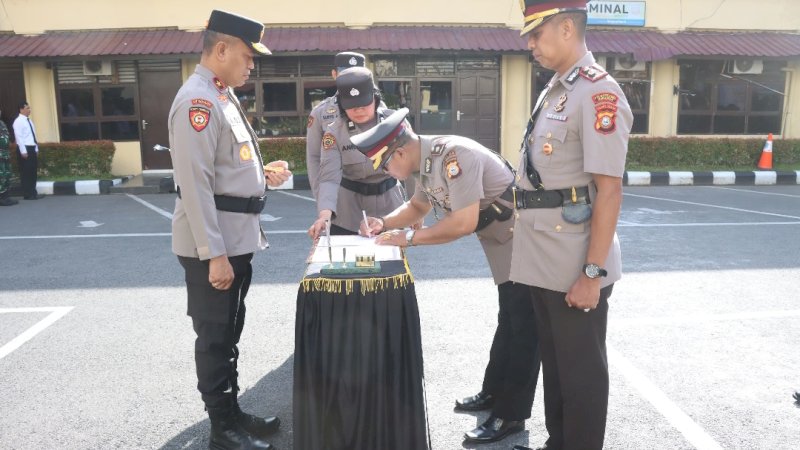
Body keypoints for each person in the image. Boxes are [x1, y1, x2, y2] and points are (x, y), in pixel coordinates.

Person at [353, 108, 541, 445]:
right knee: (510, 319)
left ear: (399, 152)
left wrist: (408, 239)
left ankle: (511, 415)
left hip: (524, 238)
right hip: (501, 239)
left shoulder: (454, 156)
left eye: (384, 165)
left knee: (524, 327)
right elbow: (417, 207)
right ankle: (493, 392)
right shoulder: (426, 163)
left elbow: (462, 224)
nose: (384, 172)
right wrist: (385, 223)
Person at [510, 1, 632, 449]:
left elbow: (610, 191)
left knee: (580, 375)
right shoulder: (556, 89)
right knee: (557, 369)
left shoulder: (599, 93)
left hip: (577, 261)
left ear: (565, 28)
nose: (529, 44)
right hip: (545, 256)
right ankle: (557, 441)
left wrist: (592, 274)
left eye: (535, 34)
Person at [168, 10, 291, 450]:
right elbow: (196, 186)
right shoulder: (197, 102)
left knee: (230, 331)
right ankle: (223, 428)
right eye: (246, 55)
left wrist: (261, 173)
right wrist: (213, 255)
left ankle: (233, 412)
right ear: (220, 50)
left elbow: (224, 165)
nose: (251, 64)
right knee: (215, 337)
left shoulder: (220, 94)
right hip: (214, 247)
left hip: (236, 240)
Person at [307, 66, 405, 238]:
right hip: (349, 211)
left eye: (364, 104)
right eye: (351, 106)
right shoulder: (333, 133)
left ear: (375, 98)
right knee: (350, 262)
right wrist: (324, 215)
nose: (358, 110)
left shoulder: (396, 123)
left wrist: (414, 209)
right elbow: (329, 178)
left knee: (391, 261)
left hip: (391, 206)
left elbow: (414, 170)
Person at [305, 51, 366, 199]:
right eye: (344, 73)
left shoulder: (377, 107)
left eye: (355, 74)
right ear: (334, 74)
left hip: (377, 191)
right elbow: (313, 156)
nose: (350, 78)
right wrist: (321, 196)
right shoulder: (320, 112)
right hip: (339, 192)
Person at [12, 101, 43, 200]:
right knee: (26, 172)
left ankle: (33, 192)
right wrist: (23, 151)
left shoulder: (29, 121)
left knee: (33, 171)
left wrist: (36, 148)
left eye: (29, 108)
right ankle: (27, 194)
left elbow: (33, 136)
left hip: (31, 147)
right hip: (25, 148)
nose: (29, 110)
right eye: (27, 108)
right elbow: (19, 137)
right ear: (21, 109)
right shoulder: (18, 121)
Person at [0, 109, 18, 206]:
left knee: (7, 174)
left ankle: (6, 196)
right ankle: (1, 197)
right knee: (1, 175)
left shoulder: (2, 123)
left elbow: (7, 135)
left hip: (5, 154)